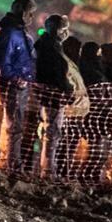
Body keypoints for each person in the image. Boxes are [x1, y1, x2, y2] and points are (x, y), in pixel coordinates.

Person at [0, 0, 38, 175]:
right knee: (13, 126)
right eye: (30, 13)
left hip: (20, 86)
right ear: (22, 13)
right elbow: (3, 61)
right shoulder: (10, 33)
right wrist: (14, 78)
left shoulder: (20, 32)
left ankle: (7, 162)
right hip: (12, 86)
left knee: (13, 125)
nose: (32, 17)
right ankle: (11, 165)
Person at [34, 14, 78, 178]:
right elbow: (57, 73)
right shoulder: (50, 47)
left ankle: (46, 168)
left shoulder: (50, 44)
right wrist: (67, 90)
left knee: (50, 132)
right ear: (56, 29)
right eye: (63, 28)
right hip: (52, 95)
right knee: (51, 133)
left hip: (50, 93)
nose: (66, 32)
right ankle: (47, 170)